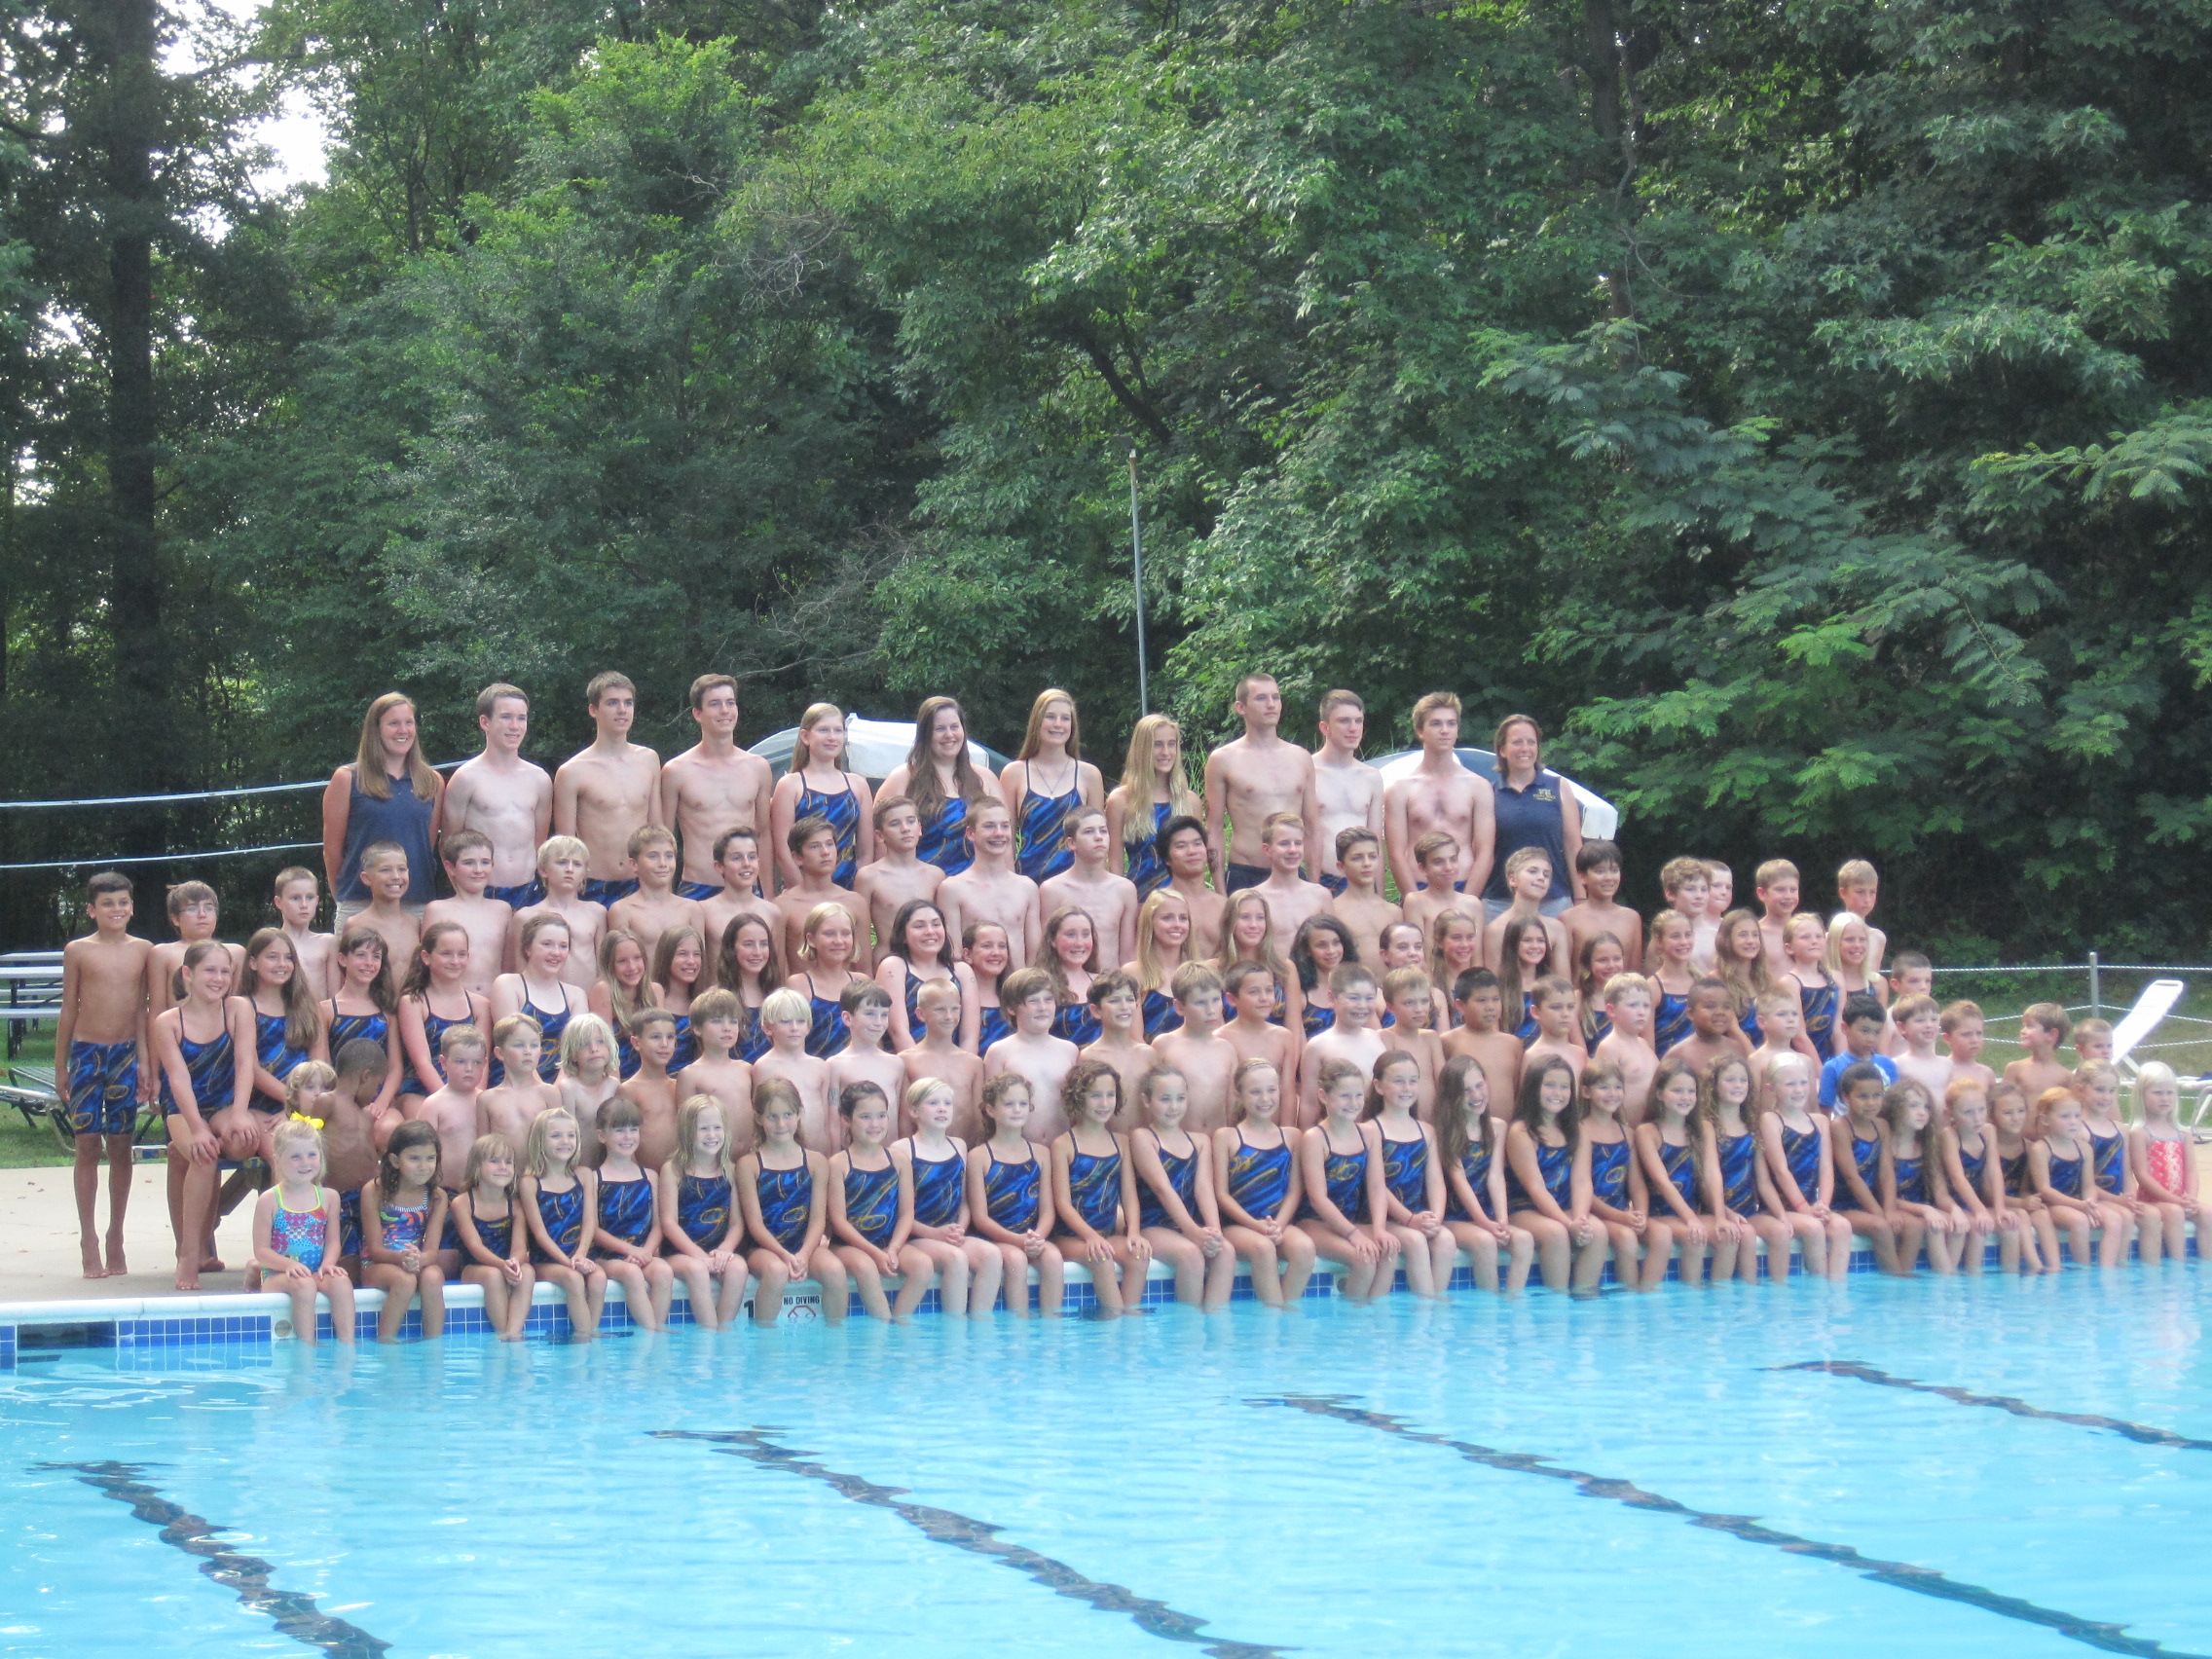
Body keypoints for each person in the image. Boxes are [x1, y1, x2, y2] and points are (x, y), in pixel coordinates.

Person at [58, 870, 152, 1279]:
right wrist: (61, 1064)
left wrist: (146, 1062)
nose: (117, 910)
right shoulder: (78, 950)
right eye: (108, 904)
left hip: (126, 1055)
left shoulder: (144, 950)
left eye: (123, 903)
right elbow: (68, 1009)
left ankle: (116, 1233)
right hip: (85, 1055)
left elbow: (143, 1011)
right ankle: (88, 1237)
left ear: (132, 906)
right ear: (91, 910)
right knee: (86, 1145)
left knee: (120, 1144)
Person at [321, 691, 441, 931]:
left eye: (409, 722)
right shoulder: (347, 779)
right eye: (393, 723)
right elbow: (332, 851)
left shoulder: (432, 781)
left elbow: (427, 844)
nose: (403, 730)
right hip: (360, 902)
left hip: (416, 902)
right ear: (375, 729)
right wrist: (343, 898)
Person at [436, 684, 553, 908]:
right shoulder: (465, 779)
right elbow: (448, 846)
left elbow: (539, 843)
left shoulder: (540, 780)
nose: (515, 726)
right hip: (481, 893)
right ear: (485, 722)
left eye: (521, 718)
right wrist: (463, 895)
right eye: (506, 717)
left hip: (529, 892)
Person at [662, 673, 779, 899]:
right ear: (698, 713)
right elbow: (665, 839)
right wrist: (665, 896)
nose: (725, 710)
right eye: (715, 704)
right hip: (697, 886)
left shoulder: (758, 768)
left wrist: (769, 895)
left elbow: (763, 834)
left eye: (730, 702)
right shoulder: (676, 771)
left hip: (747, 889)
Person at [1212, 1058, 1317, 1307]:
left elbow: (1294, 1191)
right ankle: (1273, 1316)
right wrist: (1257, 1227)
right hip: (1238, 1224)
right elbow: (1221, 1194)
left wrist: (1278, 1225)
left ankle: (1286, 1309)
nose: (1265, 1098)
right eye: (1255, 1092)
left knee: (1304, 1249)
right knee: (1263, 1248)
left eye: (1271, 1090)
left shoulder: (1291, 1136)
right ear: (1238, 1095)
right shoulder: (1226, 1137)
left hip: (1277, 1222)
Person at [1128, 1066, 1235, 1309]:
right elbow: (1162, 1188)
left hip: (1190, 1224)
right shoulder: (1143, 1138)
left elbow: (1203, 1189)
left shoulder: (1199, 1141)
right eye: (1165, 1099)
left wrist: (1214, 1231)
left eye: (1180, 1099)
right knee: (1191, 1255)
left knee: (1225, 1252)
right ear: (1146, 1101)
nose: (1174, 1107)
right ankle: (1189, 1334)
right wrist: (1194, 1232)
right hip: (1154, 1223)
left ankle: (1215, 1326)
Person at [553, 672, 662, 907]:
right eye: (612, 703)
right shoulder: (572, 771)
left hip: (641, 884)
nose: (622, 710)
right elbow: (566, 845)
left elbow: (657, 832)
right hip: (592, 885)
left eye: (628, 703)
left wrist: (663, 886)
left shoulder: (649, 760)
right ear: (593, 710)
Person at [1051, 1061, 1150, 1317]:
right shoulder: (1063, 1145)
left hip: (1106, 1234)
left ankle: (1129, 1317)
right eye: (1095, 1095)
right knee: (1102, 1259)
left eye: (1110, 1095)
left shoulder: (1121, 1143)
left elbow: (1129, 1196)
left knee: (1138, 1256)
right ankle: (1114, 1320)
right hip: (1071, 1237)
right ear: (1077, 1097)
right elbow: (1062, 1203)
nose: (1104, 1103)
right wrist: (1090, 1236)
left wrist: (1134, 1232)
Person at [826, 1082, 931, 1323]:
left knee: (923, 1266)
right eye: (865, 1117)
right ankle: (883, 1326)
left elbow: (906, 1214)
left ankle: (899, 1322)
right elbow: (839, 1222)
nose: (875, 1124)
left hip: (889, 1242)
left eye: (881, 1116)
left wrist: (893, 1248)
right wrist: (875, 1253)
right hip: (848, 1245)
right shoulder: (839, 1164)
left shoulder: (899, 1160)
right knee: (865, 1268)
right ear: (846, 1119)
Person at [1204, 672, 1317, 893]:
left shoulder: (1301, 758)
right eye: (1261, 698)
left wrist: (1313, 885)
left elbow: (1312, 827)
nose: (1271, 704)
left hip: (1293, 874)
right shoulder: (1223, 760)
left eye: (1276, 697)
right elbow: (1214, 827)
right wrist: (1220, 890)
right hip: (1246, 873)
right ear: (1240, 707)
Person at [1296, 1057, 1397, 1301]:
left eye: (1358, 1096)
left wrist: (1380, 1229)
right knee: (1364, 1259)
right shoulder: (1314, 1138)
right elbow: (1318, 1199)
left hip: (1349, 1222)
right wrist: (1354, 1235)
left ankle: (1375, 1315)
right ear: (1323, 1096)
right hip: (1315, 1222)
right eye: (1345, 1096)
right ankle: (1354, 1322)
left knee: (1390, 1251)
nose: (1353, 1103)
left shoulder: (1369, 1133)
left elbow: (1376, 1186)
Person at [250, 1116, 357, 1346]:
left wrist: (328, 1263)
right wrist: (289, 1265)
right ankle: (307, 1345)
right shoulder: (270, 1200)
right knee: (304, 1284)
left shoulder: (328, 1197)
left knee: (341, 1282)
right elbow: (261, 1252)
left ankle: (348, 1344)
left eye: (311, 1155)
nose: (305, 1162)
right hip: (279, 1275)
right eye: (295, 1157)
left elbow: (332, 1241)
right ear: (278, 1160)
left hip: (316, 1270)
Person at [966, 1075, 1065, 1317]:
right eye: (1009, 1104)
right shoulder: (979, 1156)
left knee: (1053, 1258)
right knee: (1016, 1261)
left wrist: (1038, 1237)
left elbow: (1048, 1210)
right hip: (997, 1238)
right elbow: (980, 1218)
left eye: (1023, 1104)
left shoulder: (1041, 1153)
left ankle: (1052, 1330)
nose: (1017, 1109)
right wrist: (1018, 1241)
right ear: (991, 1110)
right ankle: (1018, 1329)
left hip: (1033, 1236)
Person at [1433, 1056, 1532, 1293]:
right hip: (1455, 1216)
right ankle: (1490, 1307)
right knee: (1486, 1242)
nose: (1476, 1096)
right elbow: (1460, 1180)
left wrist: (1501, 1219)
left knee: (1524, 1240)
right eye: (1465, 1091)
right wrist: (1483, 1222)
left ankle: (1512, 1304)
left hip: (1487, 1215)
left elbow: (1495, 1176)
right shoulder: (1445, 1132)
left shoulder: (1497, 1127)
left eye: (1479, 1086)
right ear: (1451, 1097)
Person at [1383, 691, 1494, 903]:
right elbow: (1396, 854)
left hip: (1463, 886)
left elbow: (1485, 852)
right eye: (1436, 724)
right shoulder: (1400, 789)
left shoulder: (1478, 787)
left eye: (1451, 724)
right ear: (1420, 731)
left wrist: (1469, 901)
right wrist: (1412, 900)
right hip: (1418, 888)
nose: (1445, 730)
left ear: (1457, 730)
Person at [1366, 1051, 1456, 1298]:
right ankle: (1426, 1308)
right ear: (1379, 1086)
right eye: (1398, 1081)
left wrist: (1435, 1218)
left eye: (1413, 1080)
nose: (1407, 1088)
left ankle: (1436, 1303)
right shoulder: (1371, 1130)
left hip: (1418, 1216)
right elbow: (1377, 1186)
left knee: (1446, 1239)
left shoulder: (1426, 1131)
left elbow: (1436, 1180)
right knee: (1415, 1242)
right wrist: (1408, 1219)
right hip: (1387, 1219)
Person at [881, 696, 1003, 877]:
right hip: (921, 891)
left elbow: (1004, 844)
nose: (949, 735)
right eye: (940, 729)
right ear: (925, 734)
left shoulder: (985, 779)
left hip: (976, 892)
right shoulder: (902, 779)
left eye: (954, 727)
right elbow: (881, 844)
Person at [659, 1095, 752, 1330]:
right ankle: (708, 1332)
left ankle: (723, 1329)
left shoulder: (730, 1170)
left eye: (717, 1128)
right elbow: (669, 1223)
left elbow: (737, 1224)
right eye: (703, 1129)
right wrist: (699, 1255)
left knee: (739, 1267)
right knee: (697, 1270)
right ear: (687, 1131)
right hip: (681, 1253)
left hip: (718, 1250)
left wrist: (724, 1250)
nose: (712, 1135)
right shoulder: (674, 1170)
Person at [1757, 1053, 1852, 1280]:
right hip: (1781, 1206)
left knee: (1843, 1227)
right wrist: (1803, 1209)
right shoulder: (1770, 1120)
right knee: (1813, 1228)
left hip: (1813, 1204)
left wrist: (1823, 1205)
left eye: (1803, 1083)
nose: (1799, 1089)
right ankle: (1818, 1288)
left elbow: (1827, 1168)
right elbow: (1780, 1170)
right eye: (1790, 1084)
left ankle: (1836, 1289)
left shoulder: (1819, 1121)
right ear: (1772, 1089)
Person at [520, 1106, 608, 1339]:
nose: (565, 1141)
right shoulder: (530, 1183)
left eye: (570, 1135)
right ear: (540, 1140)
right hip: (547, 1259)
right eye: (556, 1135)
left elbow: (590, 1222)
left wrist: (580, 1255)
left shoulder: (584, 1175)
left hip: (579, 1254)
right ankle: (585, 1336)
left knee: (599, 1278)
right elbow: (539, 1234)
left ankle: (590, 1331)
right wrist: (569, 1263)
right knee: (573, 1279)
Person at [1483, 714, 1580, 922]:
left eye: (1531, 742)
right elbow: (1482, 851)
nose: (1525, 748)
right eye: (1517, 742)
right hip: (1499, 902)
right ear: (1502, 749)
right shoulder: (1489, 793)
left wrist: (1581, 897)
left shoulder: (1559, 787)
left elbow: (1573, 845)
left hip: (1552, 900)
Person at [590, 1097, 677, 1331]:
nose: (628, 1137)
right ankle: (653, 1333)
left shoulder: (650, 1176)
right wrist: (631, 1251)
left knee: (663, 1271)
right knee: (631, 1273)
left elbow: (659, 1225)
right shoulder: (594, 1179)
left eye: (633, 1129)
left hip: (643, 1253)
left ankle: (656, 1325)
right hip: (607, 1257)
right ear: (602, 1136)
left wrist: (646, 1252)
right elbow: (594, 1230)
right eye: (619, 1130)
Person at [1001, 687, 1103, 883]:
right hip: (1028, 882)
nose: (1058, 724)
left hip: (1077, 885)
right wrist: (1010, 884)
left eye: (1065, 718)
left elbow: (1098, 841)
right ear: (1037, 721)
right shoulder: (1014, 773)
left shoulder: (1089, 775)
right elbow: (1006, 838)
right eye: (1050, 717)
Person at [359, 1119, 449, 1342]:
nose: (423, 1166)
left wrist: (418, 1259)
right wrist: (401, 1259)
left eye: (430, 1158)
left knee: (434, 1276)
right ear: (395, 1160)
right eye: (414, 1158)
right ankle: (386, 1341)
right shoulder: (375, 1191)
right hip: (378, 1265)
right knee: (405, 1281)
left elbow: (431, 1252)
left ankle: (433, 1344)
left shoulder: (437, 1197)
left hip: (415, 1261)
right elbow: (375, 1249)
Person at [770, 701, 873, 892]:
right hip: (803, 891)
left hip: (848, 890)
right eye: (824, 730)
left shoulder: (858, 785)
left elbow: (866, 852)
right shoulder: (790, 785)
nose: (832, 737)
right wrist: (806, 894)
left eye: (838, 730)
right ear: (805, 736)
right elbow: (783, 852)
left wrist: (856, 894)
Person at [1704, 1052, 1789, 1281]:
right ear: (1713, 1085)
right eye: (1730, 1080)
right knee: (1746, 1235)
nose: (1738, 1085)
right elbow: (1709, 1176)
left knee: (1781, 1232)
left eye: (1743, 1080)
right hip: (1715, 1208)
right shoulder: (1707, 1126)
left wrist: (1781, 1215)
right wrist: (1723, 1214)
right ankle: (1736, 1296)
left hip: (1748, 1209)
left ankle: (1779, 1298)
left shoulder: (1751, 1126)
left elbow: (1763, 1181)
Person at [394, 922, 489, 1117]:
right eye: (446, 954)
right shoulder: (413, 1002)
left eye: (461, 954)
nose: (455, 961)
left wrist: (475, 1098)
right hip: (421, 1090)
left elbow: (482, 1061)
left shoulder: (480, 1005)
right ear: (426, 957)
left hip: (470, 1090)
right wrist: (449, 1100)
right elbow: (422, 1062)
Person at [1637, 1055, 1716, 1286]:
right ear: (1660, 1094)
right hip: (1660, 1214)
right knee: (1694, 1238)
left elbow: (1711, 1176)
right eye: (1677, 1091)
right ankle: (1655, 1294)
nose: (1685, 1097)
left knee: (1731, 1236)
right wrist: (1690, 1219)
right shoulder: (1647, 1132)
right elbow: (1661, 1181)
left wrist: (1723, 1215)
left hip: (1690, 1213)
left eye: (1691, 1091)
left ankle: (1720, 1299)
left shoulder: (1701, 1129)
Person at [448, 1131, 535, 1342]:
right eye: (494, 1161)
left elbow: (519, 1247)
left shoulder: (515, 1205)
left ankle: (513, 1334)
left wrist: (514, 1262)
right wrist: (501, 1265)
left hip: (505, 1264)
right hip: (474, 1268)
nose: (503, 1167)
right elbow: (474, 1246)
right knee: (493, 1276)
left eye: (508, 1162)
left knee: (528, 1272)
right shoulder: (462, 1203)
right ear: (477, 1166)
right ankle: (503, 1331)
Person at [937, 797, 1041, 973]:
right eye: (989, 826)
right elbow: (954, 956)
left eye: (1005, 826)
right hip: (974, 990)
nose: (999, 833)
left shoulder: (1027, 888)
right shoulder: (953, 889)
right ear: (971, 833)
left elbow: (1035, 955)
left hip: (1018, 989)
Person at [1106, 714, 1202, 900]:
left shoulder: (1190, 801)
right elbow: (1115, 866)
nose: (1166, 752)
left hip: (1184, 901)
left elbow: (1198, 864)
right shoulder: (1120, 800)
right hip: (1140, 898)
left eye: (1171, 744)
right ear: (1142, 749)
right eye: (1157, 745)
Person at [1572, 1059, 1648, 1290]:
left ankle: (1629, 1301)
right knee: (1625, 1239)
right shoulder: (1580, 1130)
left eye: (1617, 1087)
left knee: (1629, 1236)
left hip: (1619, 1214)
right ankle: (1589, 1296)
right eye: (1604, 1087)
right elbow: (1582, 1185)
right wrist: (1620, 1217)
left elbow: (1636, 1185)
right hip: (1593, 1210)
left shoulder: (1627, 1133)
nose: (1612, 1094)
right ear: (1586, 1092)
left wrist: (1641, 1214)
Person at [981, 967, 1079, 1143]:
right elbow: (989, 1111)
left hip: (1063, 1150)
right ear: (1011, 1008)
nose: (1043, 1008)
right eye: (1033, 1001)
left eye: (1048, 1000)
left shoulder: (1069, 1050)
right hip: (1019, 1152)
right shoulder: (999, 1052)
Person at [321, 926, 401, 1133]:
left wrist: (381, 1103)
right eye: (361, 955)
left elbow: (395, 1067)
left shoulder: (387, 1011)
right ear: (342, 959)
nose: (369, 963)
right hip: (338, 1099)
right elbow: (322, 1066)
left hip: (380, 1099)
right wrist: (342, 1104)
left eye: (376, 957)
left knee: (389, 1130)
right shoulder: (326, 1010)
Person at [409, 1026, 489, 1233]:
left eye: (476, 1062)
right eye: (460, 1062)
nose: (469, 1068)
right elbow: (419, 1149)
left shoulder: (488, 1101)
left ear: (485, 1064)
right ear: (443, 1063)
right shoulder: (434, 1104)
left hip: (482, 1193)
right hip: (442, 1193)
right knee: (447, 1256)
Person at [491, 914, 587, 1083]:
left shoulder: (576, 995)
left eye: (563, 946)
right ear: (528, 948)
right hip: (514, 1085)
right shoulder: (508, 985)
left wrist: (557, 1090)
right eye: (547, 944)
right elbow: (511, 1042)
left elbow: (574, 1050)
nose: (556, 952)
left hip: (562, 1085)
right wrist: (541, 1090)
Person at [1041, 806, 1140, 970]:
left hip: (1110, 984)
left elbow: (1127, 954)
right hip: (1068, 985)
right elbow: (1046, 950)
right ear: (1071, 843)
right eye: (1089, 832)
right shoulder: (1053, 890)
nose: (1098, 837)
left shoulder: (1124, 890)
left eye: (1103, 831)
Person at [774, 817, 874, 973]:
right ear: (797, 857)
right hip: (802, 993)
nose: (825, 852)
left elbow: (863, 967)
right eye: (815, 846)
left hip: (848, 993)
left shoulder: (855, 902)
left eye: (829, 844)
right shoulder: (783, 906)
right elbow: (778, 969)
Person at [876, 900, 979, 1052]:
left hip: (955, 1064)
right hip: (907, 1062)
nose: (930, 931)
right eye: (919, 926)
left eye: (936, 924)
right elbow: (898, 1032)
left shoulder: (962, 971)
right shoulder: (894, 967)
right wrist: (922, 1070)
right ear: (903, 935)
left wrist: (962, 1068)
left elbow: (970, 1037)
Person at [1309, 690, 1384, 895]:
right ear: (1325, 727)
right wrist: (1311, 889)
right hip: (1323, 880)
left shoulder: (1371, 777)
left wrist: (1379, 896)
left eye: (1358, 721)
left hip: (1363, 881)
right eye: (1344, 721)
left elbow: (1376, 840)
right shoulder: (1307, 772)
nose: (1353, 728)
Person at [1830, 1061, 1901, 1274]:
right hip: (1843, 1205)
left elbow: (1886, 1171)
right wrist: (1879, 1213)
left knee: (1914, 1226)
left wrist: (1889, 1209)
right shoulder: (1841, 1128)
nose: (1871, 1103)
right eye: (1863, 1097)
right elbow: (1852, 1177)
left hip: (1872, 1202)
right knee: (1880, 1227)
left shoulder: (1882, 1126)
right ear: (1845, 1097)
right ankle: (1895, 1277)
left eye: (1877, 1095)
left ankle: (1908, 1272)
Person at [1936, 1078, 2010, 1276]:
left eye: (1981, 1110)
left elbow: (1995, 1170)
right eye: (1968, 1112)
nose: (1977, 1118)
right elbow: (1957, 1178)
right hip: (1951, 1200)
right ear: (1950, 1114)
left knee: (2011, 1226)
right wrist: (1980, 1211)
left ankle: (2012, 1282)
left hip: (1974, 1199)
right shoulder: (1949, 1136)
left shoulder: (1988, 1131)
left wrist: (2000, 1207)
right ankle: (1962, 1281)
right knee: (1979, 1228)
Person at [423, 830, 511, 999]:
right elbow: (427, 964)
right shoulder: (437, 909)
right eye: (469, 863)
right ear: (450, 868)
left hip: (494, 1000)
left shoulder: (503, 910)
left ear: (492, 865)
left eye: (484, 862)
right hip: (451, 1001)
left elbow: (508, 964)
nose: (478, 870)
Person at [1299, 964, 1386, 1128]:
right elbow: (1309, 1103)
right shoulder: (1318, 1046)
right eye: (1353, 998)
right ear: (1332, 998)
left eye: (1369, 998)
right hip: (1338, 1135)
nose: (1362, 1005)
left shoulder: (1379, 1038)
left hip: (1377, 1133)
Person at [1880, 1081, 1956, 1272]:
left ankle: (1949, 1278)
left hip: (1919, 1209)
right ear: (1895, 1109)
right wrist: (1924, 1209)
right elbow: (1883, 1197)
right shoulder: (1886, 1147)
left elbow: (1940, 1193)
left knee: (1955, 1223)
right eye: (1914, 1106)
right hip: (1894, 1208)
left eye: (1926, 1107)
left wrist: (1954, 1209)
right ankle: (1919, 1279)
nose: (1922, 1112)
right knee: (1925, 1226)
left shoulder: (1926, 1146)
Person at [2129, 1062, 2202, 1260]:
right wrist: (2176, 1201)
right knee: (2174, 1212)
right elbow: (2142, 1176)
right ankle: (2178, 1265)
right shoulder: (2140, 1134)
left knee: (2209, 1213)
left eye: (2170, 1093)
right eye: (2158, 1092)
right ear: (2141, 1096)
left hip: (2181, 1199)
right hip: (2153, 1201)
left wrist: (2191, 1198)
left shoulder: (2183, 1134)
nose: (2165, 1098)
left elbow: (2191, 1172)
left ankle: (2205, 1266)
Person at [511, 835, 603, 989]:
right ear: (543, 870)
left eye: (577, 864)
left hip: (587, 998)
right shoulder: (526, 916)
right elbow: (520, 968)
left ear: (584, 873)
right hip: (541, 999)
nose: (570, 869)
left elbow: (604, 968)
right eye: (562, 862)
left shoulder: (596, 912)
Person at [148, 879, 244, 1024]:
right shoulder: (162, 954)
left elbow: (239, 1008)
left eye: (209, 907)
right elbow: (156, 1011)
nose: (202, 914)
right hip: (176, 1037)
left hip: (224, 1039)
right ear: (175, 919)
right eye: (192, 908)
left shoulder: (236, 953)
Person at [1442, 968, 1526, 1134]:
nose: (1490, 1007)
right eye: (1481, 1000)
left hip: (1504, 1132)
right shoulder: (1448, 1041)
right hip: (1463, 1133)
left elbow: (1517, 1089)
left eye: (1496, 999)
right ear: (1460, 1005)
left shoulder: (1512, 1044)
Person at [901, 978, 985, 1142]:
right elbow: (904, 1122)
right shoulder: (907, 1061)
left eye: (954, 1009)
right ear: (921, 1014)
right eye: (940, 1009)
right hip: (921, 1157)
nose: (949, 1016)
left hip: (963, 1156)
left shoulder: (973, 1064)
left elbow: (979, 1121)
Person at [608, 827, 707, 965]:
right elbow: (618, 964)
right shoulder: (622, 910)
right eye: (653, 856)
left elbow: (701, 962)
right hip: (642, 985)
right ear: (634, 864)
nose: (663, 863)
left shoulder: (691, 909)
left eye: (669, 856)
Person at [753, 988, 836, 1154]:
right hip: (780, 1155)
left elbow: (829, 1119)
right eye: (785, 1021)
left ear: (809, 1026)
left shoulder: (821, 1066)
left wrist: (833, 1153)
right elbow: (758, 1117)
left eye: (800, 1021)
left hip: (819, 1153)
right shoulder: (763, 1067)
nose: (794, 1028)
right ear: (768, 1028)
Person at [1991, 1080, 2059, 1272]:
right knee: (2020, 1215)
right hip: (1995, 1204)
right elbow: (1986, 1193)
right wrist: (2021, 1204)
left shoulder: (2029, 1148)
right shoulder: (1989, 1148)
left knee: (2043, 1215)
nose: (2016, 1118)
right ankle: (2034, 1265)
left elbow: (2024, 1189)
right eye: (2007, 1113)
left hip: (2019, 1203)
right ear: (1991, 1116)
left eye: (2021, 1111)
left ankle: (2055, 1267)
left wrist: (2028, 1200)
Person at [699, 830, 784, 982]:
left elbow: (779, 970)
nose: (746, 864)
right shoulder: (703, 911)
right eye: (737, 858)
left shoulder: (772, 912)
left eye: (751, 857)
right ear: (719, 866)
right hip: (719, 1000)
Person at [678, 989, 756, 1150]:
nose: (727, 1028)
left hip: (750, 1156)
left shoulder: (747, 1069)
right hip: (714, 1159)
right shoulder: (690, 1074)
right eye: (717, 1021)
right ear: (697, 1029)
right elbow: (686, 1127)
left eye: (733, 1021)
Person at [1247, 813, 1332, 961]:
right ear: (1267, 850)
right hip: (1274, 979)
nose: (1293, 850)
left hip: (1313, 980)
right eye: (1284, 843)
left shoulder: (1321, 895)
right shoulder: (1256, 898)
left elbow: (1333, 944)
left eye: (1298, 843)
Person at [786, 903, 862, 1058]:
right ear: (811, 939)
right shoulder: (799, 984)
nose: (839, 941)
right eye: (829, 934)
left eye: (846, 934)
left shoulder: (862, 983)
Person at [829, 980, 906, 1130]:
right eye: (870, 1014)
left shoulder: (896, 1064)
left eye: (884, 1015)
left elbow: (898, 1120)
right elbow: (833, 1123)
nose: (878, 1022)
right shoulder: (836, 1065)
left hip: (887, 1151)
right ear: (847, 1018)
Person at [478, 1014, 560, 1155]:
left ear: (540, 1052)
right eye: (519, 1045)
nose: (528, 1051)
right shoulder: (486, 1099)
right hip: (503, 1173)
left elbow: (559, 1140)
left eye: (534, 1045)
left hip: (540, 1175)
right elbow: (483, 1149)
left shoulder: (549, 1093)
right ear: (500, 1053)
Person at [615, 1009, 683, 1170]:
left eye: (670, 1037)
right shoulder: (628, 1090)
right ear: (636, 1043)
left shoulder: (678, 1086)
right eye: (655, 1037)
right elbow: (623, 1139)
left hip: (678, 1175)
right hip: (645, 1178)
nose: (664, 1044)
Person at [1219, 962, 1298, 1095]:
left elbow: (1288, 1091)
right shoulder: (1221, 1039)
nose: (1264, 998)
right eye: (1254, 992)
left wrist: (1287, 1117)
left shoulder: (1284, 1037)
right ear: (1232, 999)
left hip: (1275, 1115)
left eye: (1269, 990)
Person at [1126, 889, 1195, 1042]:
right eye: (1167, 918)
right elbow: (1134, 1039)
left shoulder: (1199, 971)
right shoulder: (1134, 973)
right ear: (1150, 922)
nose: (1177, 925)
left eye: (1183, 918)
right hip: (1150, 1061)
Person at [1325, 829, 1400, 967]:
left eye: (1372, 856)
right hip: (1352, 986)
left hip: (1392, 986)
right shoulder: (1333, 911)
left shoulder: (1394, 912)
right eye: (1357, 858)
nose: (1367, 863)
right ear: (1341, 866)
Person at [1590, 972, 1657, 1125]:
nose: (1641, 1012)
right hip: (1625, 1128)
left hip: (1649, 1127)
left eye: (1646, 1005)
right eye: (1633, 1005)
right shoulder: (1610, 1047)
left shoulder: (1644, 1044)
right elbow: (1603, 1093)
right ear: (1611, 1010)